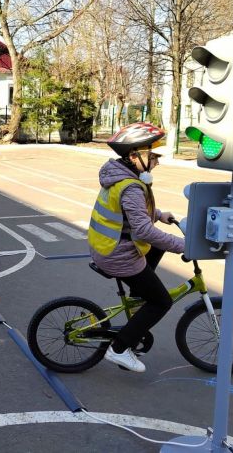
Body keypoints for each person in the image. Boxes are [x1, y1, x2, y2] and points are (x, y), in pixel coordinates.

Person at [88, 122, 184, 372]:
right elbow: (142, 230)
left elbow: (128, 215)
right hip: (117, 255)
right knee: (162, 302)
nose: (157, 162)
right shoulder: (131, 186)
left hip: (106, 247)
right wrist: (184, 245)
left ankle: (138, 298)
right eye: (153, 156)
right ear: (134, 156)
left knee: (156, 248)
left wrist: (159, 214)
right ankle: (119, 349)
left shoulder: (119, 177)